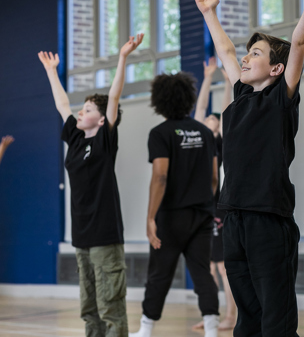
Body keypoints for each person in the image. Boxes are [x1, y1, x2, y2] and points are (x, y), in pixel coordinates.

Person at [193, 0, 304, 337]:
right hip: (234, 218)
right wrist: (210, 14)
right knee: (248, 317)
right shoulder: (239, 96)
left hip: (268, 220)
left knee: (276, 319)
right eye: (249, 51)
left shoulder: (281, 98)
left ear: (275, 69)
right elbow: (226, 51)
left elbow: (299, 41)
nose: (246, 56)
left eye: (256, 53)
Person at [38, 33, 144, 337]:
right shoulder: (73, 138)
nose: (81, 112)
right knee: (89, 306)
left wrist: (122, 57)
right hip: (82, 235)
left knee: (110, 304)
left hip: (105, 235)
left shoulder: (105, 140)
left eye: (87, 109)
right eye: (81, 108)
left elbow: (113, 97)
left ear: (101, 120)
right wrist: (50, 72)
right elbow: (61, 104)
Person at [130, 72, 220, 337]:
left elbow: (160, 176)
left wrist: (150, 217)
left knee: (159, 274)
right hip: (202, 215)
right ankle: (212, 331)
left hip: (171, 218)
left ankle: (145, 330)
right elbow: (215, 177)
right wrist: (205, 203)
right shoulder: (205, 132)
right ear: (188, 99)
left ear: (160, 101)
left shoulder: (160, 133)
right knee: (203, 273)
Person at [193, 58, 236, 331]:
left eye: (213, 119)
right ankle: (211, 314)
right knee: (208, 267)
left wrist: (227, 83)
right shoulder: (198, 140)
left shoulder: (219, 141)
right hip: (202, 208)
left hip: (220, 207)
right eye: (206, 120)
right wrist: (207, 77)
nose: (208, 120)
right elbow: (199, 109)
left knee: (223, 268)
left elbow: (224, 108)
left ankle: (232, 316)